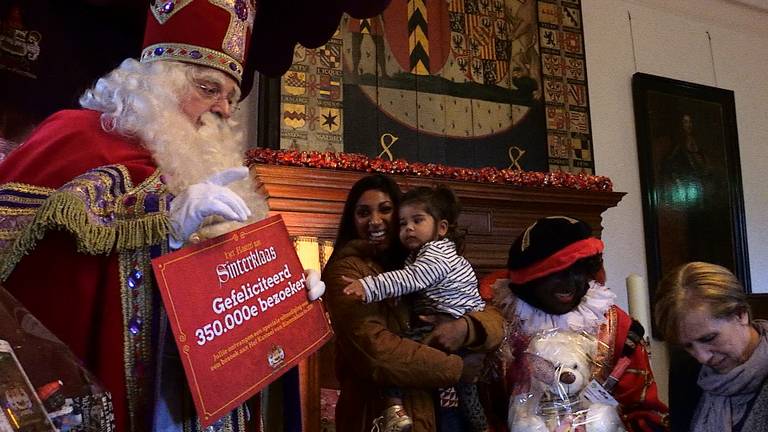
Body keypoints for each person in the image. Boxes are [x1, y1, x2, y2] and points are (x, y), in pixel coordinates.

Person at [0, 1, 324, 431]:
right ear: (155, 84)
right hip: (124, 390)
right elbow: (24, 253)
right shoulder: (74, 135)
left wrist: (282, 295)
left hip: (196, 399)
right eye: (209, 89)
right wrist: (163, 223)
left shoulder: (209, 166)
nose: (225, 110)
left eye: (230, 97)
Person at [322, 174, 505, 432]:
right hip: (378, 416)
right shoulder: (347, 270)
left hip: (432, 408)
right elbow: (377, 353)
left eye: (385, 210)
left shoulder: (421, 260)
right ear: (352, 220)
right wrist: (457, 368)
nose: (375, 221)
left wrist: (466, 328)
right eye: (363, 212)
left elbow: (492, 315)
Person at [481, 216, 669, 431]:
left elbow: (642, 409)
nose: (571, 282)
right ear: (529, 278)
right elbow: (485, 410)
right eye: (557, 271)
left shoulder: (615, 325)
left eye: (580, 270)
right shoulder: (498, 324)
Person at [654, 261, 768, 432]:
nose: (702, 357)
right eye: (688, 346)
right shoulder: (687, 368)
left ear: (741, 314)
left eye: (709, 338)